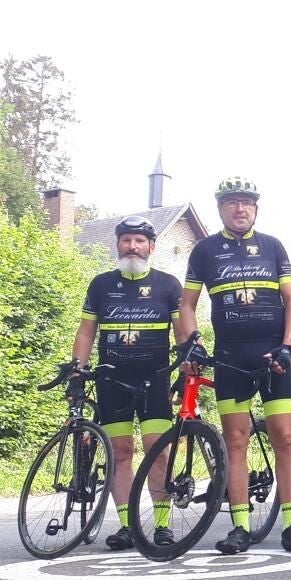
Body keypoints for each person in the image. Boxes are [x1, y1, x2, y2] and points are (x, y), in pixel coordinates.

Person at [177, 177, 291, 555]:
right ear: (220, 208)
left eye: (247, 202)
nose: (240, 209)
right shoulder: (204, 250)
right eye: (232, 202)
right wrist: (192, 342)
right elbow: (186, 305)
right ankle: (240, 526)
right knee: (235, 441)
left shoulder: (272, 246)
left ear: (256, 208)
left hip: (273, 355)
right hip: (231, 356)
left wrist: (287, 346)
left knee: (285, 437)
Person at [72, 216, 181, 550]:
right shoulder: (100, 284)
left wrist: (188, 366)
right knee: (120, 452)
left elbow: (182, 332)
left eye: (139, 241)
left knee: (157, 451)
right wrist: (77, 370)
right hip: (112, 379)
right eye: (126, 240)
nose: (132, 246)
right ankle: (127, 525)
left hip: (154, 379)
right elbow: (86, 331)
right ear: (117, 244)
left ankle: (161, 525)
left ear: (152, 246)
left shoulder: (168, 285)